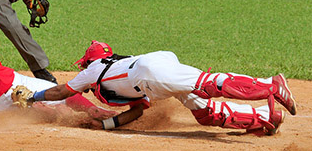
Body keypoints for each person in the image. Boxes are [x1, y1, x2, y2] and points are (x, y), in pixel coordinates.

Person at [17, 40, 297, 135]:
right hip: (153, 73)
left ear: (91, 60)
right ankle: (266, 117)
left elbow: (61, 92)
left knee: (208, 85)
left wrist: (35, 97)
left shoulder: (94, 69)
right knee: (204, 112)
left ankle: (270, 85)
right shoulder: (113, 68)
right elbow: (137, 111)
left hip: (150, 74)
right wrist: (106, 126)